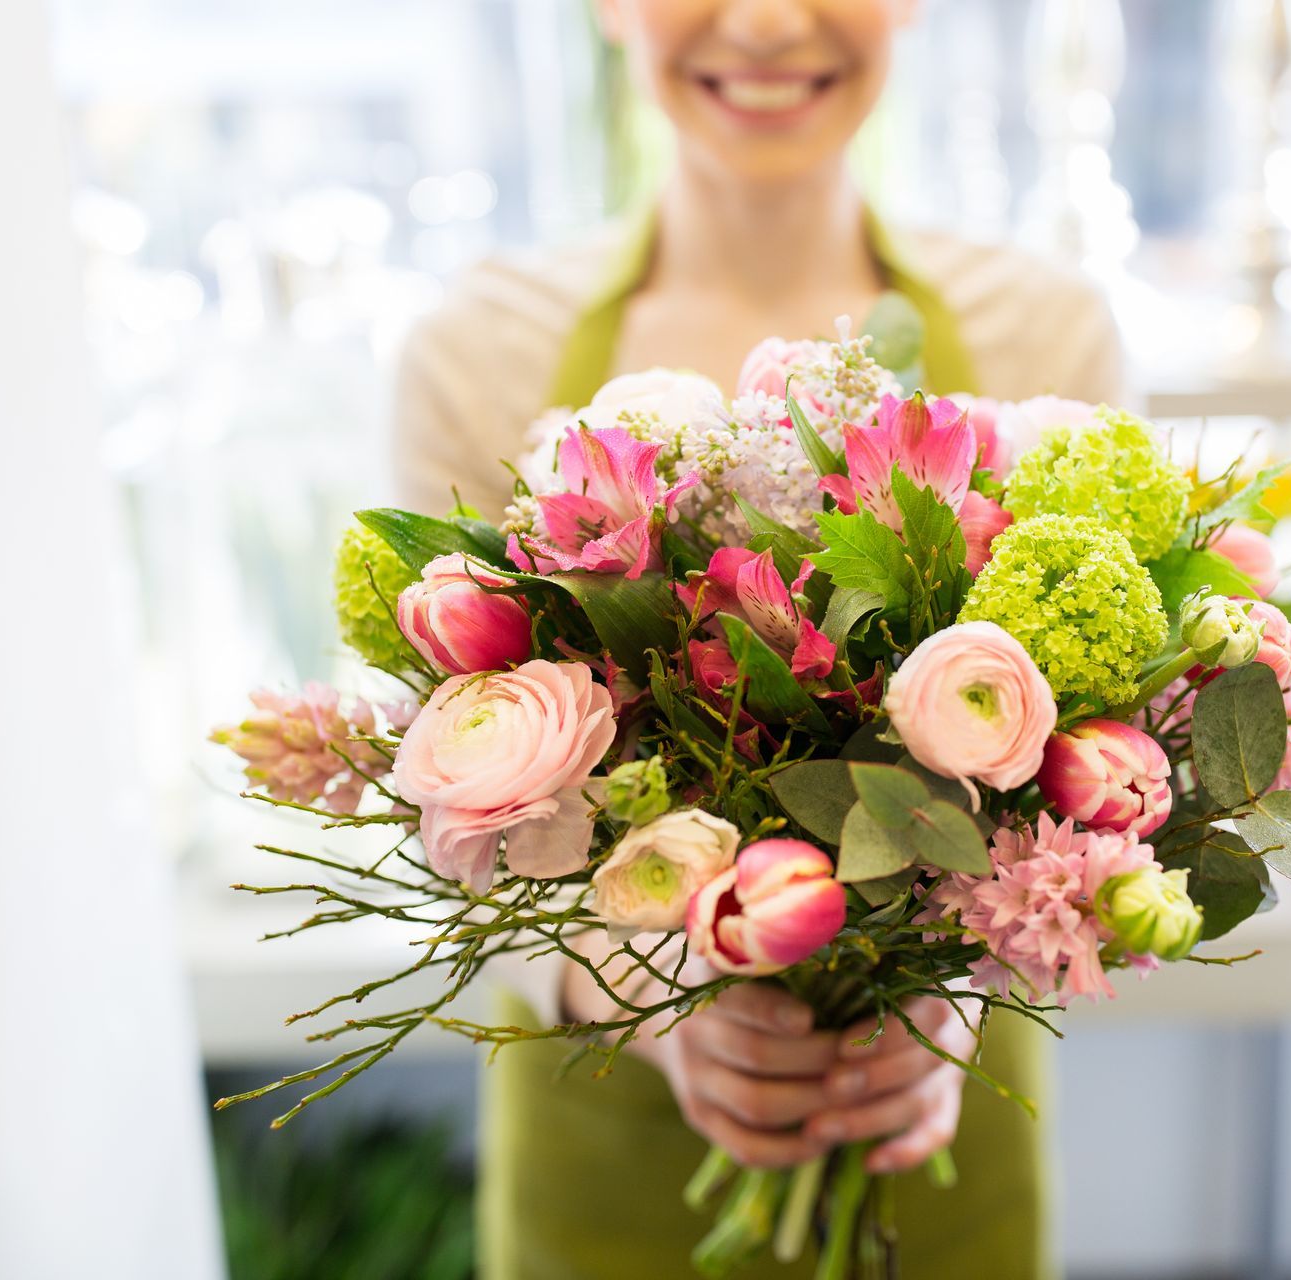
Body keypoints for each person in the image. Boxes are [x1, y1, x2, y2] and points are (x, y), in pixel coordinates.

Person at [392, 3, 1127, 1276]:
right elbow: (432, 797)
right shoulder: (482, 348)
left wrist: (949, 985)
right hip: (608, 1160)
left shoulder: (1043, 332)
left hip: (930, 1145)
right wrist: (645, 993)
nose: (772, 21)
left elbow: (1110, 761)